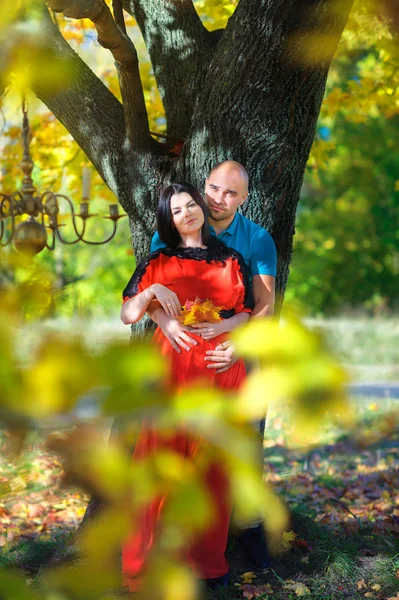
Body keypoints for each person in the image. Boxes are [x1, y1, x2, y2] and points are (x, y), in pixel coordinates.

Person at [120, 182, 253, 591]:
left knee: (213, 468)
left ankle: (208, 567)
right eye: (176, 211)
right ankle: (145, 568)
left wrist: (226, 325)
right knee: (159, 461)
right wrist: (154, 294)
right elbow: (127, 313)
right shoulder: (158, 260)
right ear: (169, 220)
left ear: (202, 208)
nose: (187, 213)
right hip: (173, 372)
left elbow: (247, 313)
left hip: (221, 368)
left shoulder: (231, 259)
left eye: (191, 205)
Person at [148, 161, 277, 570]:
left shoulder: (257, 240)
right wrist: (166, 322)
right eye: (214, 189)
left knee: (238, 441)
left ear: (244, 198)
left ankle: (248, 525)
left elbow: (266, 305)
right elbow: (151, 291)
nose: (219, 200)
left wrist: (237, 346)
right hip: (182, 353)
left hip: (235, 350)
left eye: (231, 194)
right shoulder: (170, 230)